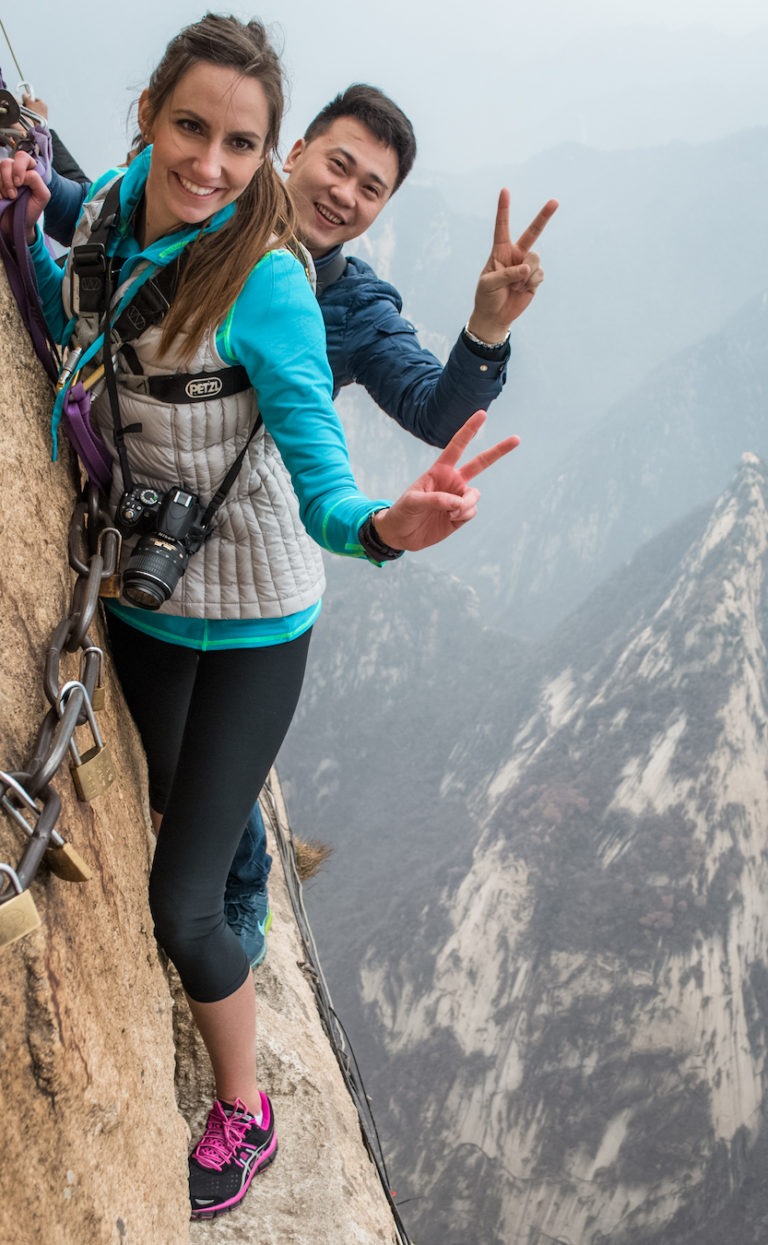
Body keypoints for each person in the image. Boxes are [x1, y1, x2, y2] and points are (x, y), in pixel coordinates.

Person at [1, 13, 518, 1221]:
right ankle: (233, 883)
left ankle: (247, 1101)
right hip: (146, 595)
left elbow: (334, 466)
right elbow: (80, 230)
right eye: (196, 128)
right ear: (155, 116)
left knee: (186, 900)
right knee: (177, 798)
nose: (212, 163)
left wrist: (388, 528)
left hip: (253, 618)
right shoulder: (132, 197)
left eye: (238, 141)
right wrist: (28, 186)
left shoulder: (287, 291)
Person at [26, 79, 556, 970]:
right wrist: (30, 168)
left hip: (253, 551)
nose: (345, 193)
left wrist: (486, 329)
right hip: (152, 535)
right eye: (338, 164)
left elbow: (435, 405)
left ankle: (248, 883)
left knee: (214, 771)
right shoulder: (202, 212)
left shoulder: (351, 306)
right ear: (294, 149)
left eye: (372, 188)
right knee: (170, 760)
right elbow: (91, 214)